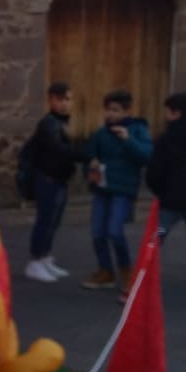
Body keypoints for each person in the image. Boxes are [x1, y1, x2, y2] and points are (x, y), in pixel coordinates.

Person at [81, 90, 153, 291]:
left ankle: (126, 269)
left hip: (123, 189)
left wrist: (128, 140)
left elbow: (147, 156)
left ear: (127, 111)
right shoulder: (101, 133)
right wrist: (91, 165)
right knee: (97, 232)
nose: (110, 114)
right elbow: (89, 156)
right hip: (102, 188)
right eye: (108, 110)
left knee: (114, 231)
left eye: (115, 110)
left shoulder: (138, 130)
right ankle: (105, 271)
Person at [145, 91, 186, 306]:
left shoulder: (167, 138)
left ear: (176, 113)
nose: (165, 116)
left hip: (170, 202)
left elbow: (155, 171)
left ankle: (141, 285)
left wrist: (159, 191)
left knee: (154, 242)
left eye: (168, 112)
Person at [25, 81, 85, 282]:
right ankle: (35, 261)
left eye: (68, 99)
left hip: (58, 180)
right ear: (51, 100)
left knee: (53, 221)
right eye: (60, 99)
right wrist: (84, 154)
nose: (65, 104)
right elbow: (59, 150)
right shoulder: (49, 124)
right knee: (45, 221)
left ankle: (45, 257)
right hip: (47, 180)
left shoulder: (60, 122)